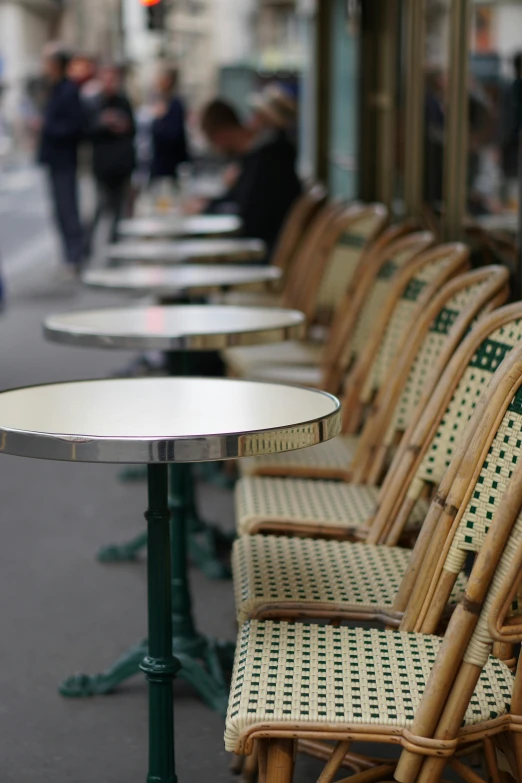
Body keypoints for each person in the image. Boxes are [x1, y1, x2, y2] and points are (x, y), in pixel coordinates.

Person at [197, 98, 302, 261]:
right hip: (266, 247)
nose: (252, 122)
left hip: (264, 252)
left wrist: (207, 209)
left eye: (258, 116)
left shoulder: (269, 160)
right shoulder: (264, 157)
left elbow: (249, 222)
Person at [37, 43, 85, 277]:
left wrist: (47, 127)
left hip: (64, 158)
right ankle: (69, 256)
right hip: (55, 159)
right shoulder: (54, 88)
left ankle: (74, 257)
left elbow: (74, 127)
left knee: (68, 209)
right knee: (60, 210)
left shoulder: (67, 90)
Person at [86, 63, 136, 249]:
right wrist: (103, 122)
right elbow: (86, 132)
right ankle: (87, 249)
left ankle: (114, 246)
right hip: (103, 166)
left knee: (119, 210)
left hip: (121, 165)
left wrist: (123, 125)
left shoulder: (123, 101)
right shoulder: (94, 103)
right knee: (100, 208)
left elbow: (133, 130)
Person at [150, 66, 188, 181]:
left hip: (170, 162)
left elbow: (175, 133)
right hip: (159, 160)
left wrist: (160, 120)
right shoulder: (160, 101)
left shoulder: (175, 104)